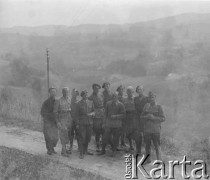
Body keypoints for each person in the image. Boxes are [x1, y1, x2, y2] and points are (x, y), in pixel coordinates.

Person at [98, 92, 125, 157]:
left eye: (115, 96)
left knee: (116, 138)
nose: (114, 97)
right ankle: (103, 150)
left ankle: (114, 151)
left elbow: (123, 115)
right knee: (105, 137)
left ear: (117, 96)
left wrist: (115, 116)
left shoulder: (121, 105)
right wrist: (104, 123)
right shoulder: (108, 103)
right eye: (113, 96)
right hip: (109, 123)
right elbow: (105, 114)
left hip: (117, 124)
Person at [141, 92, 165, 164]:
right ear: (148, 98)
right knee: (147, 145)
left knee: (157, 145)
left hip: (155, 130)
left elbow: (163, 118)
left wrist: (154, 118)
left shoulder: (159, 107)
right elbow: (141, 117)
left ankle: (159, 160)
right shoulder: (146, 106)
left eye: (152, 97)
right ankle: (148, 159)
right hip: (147, 129)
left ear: (155, 98)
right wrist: (146, 117)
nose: (151, 99)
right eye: (150, 97)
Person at [54, 87, 72, 157]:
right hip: (61, 119)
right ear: (62, 92)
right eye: (64, 92)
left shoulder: (69, 99)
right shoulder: (58, 100)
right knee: (63, 135)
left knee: (67, 135)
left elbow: (70, 107)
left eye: (67, 92)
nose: (66, 93)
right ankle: (63, 152)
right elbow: (55, 112)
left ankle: (64, 149)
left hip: (68, 119)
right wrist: (57, 122)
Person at [76, 90, 94, 159]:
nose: (86, 96)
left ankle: (86, 151)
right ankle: (81, 153)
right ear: (82, 95)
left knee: (88, 137)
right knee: (82, 137)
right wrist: (77, 124)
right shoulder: (78, 103)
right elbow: (76, 115)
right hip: (82, 123)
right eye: (84, 95)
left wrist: (91, 114)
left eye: (87, 94)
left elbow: (94, 111)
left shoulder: (91, 102)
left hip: (89, 122)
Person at [41, 87, 58, 155]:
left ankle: (52, 148)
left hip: (55, 122)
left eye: (54, 92)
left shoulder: (57, 101)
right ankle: (49, 149)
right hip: (48, 122)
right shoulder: (46, 102)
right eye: (52, 92)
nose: (53, 93)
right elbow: (42, 112)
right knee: (48, 136)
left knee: (55, 137)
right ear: (49, 93)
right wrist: (49, 117)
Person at [88, 84, 104, 152]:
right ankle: (98, 146)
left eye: (97, 88)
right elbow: (89, 106)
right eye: (95, 88)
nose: (96, 90)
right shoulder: (91, 97)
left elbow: (104, 103)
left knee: (103, 130)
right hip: (96, 115)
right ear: (93, 89)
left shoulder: (101, 94)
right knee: (97, 131)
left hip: (102, 113)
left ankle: (103, 146)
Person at [134, 85, 149, 155]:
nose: (139, 91)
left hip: (145, 119)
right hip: (137, 119)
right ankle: (138, 150)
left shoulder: (147, 99)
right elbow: (135, 108)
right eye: (138, 90)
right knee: (137, 135)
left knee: (146, 135)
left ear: (143, 90)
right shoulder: (135, 99)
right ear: (137, 91)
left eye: (141, 89)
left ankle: (147, 151)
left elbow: (149, 109)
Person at [124, 86, 136, 151]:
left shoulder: (135, 99)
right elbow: (123, 107)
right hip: (127, 116)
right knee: (128, 132)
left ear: (133, 92)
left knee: (134, 131)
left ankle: (135, 146)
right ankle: (131, 145)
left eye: (130, 91)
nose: (129, 92)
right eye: (128, 91)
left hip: (134, 116)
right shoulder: (125, 99)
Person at [69, 88, 80, 153]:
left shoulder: (78, 101)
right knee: (71, 134)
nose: (74, 94)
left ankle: (79, 147)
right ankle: (71, 146)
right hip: (70, 119)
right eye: (73, 93)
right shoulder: (69, 100)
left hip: (77, 120)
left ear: (77, 94)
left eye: (75, 93)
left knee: (78, 133)